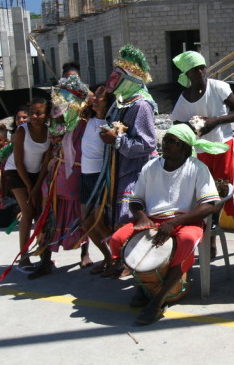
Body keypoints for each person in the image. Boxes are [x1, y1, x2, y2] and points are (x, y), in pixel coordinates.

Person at [109, 124, 228, 325]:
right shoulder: (151, 166)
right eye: (165, 139)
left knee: (188, 240)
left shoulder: (197, 168)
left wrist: (173, 223)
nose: (165, 144)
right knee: (117, 238)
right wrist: (143, 218)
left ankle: (158, 300)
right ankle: (142, 284)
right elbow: (136, 199)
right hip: (153, 220)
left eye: (172, 142)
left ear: (185, 148)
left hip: (185, 220)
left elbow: (209, 206)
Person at [171, 50, 234, 259]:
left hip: (224, 145)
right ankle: (211, 243)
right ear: (187, 73)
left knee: (228, 190)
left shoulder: (218, 87)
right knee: (208, 195)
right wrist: (192, 126)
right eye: (195, 69)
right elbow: (176, 124)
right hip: (202, 150)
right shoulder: (185, 98)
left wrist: (215, 121)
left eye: (202, 67)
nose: (201, 71)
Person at [28, 75, 91, 279]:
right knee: (48, 216)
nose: (60, 109)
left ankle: (85, 253)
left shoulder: (83, 124)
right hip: (54, 175)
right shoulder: (55, 123)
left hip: (76, 174)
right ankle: (45, 260)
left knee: (80, 213)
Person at [99, 44, 157, 231]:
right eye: (113, 75)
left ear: (129, 80)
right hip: (118, 168)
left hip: (135, 172)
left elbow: (147, 143)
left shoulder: (140, 106)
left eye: (117, 76)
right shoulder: (120, 103)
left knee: (128, 218)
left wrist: (116, 140)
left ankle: (126, 259)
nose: (112, 80)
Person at [2, 97, 51, 274]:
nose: (34, 117)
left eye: (39, 113)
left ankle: (43, 254)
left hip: (36, 174)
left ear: (47, 115)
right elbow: (18, 162)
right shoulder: (22, 131)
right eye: (32, 113)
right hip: (16, 172)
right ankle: (23, 257)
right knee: (28, 211)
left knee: (40, 213)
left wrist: (36, 186)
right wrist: (30, 187)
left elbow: (45, 163)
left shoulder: (50, 132)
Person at [80, 84, 116, 275]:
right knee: (86, 222)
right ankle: (108, 257)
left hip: (98, 177)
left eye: (101, 95)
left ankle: (120, 260)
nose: (96, 98)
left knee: (100, 223)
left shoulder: (109, 124)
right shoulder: (89, 118)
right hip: (84, 175)